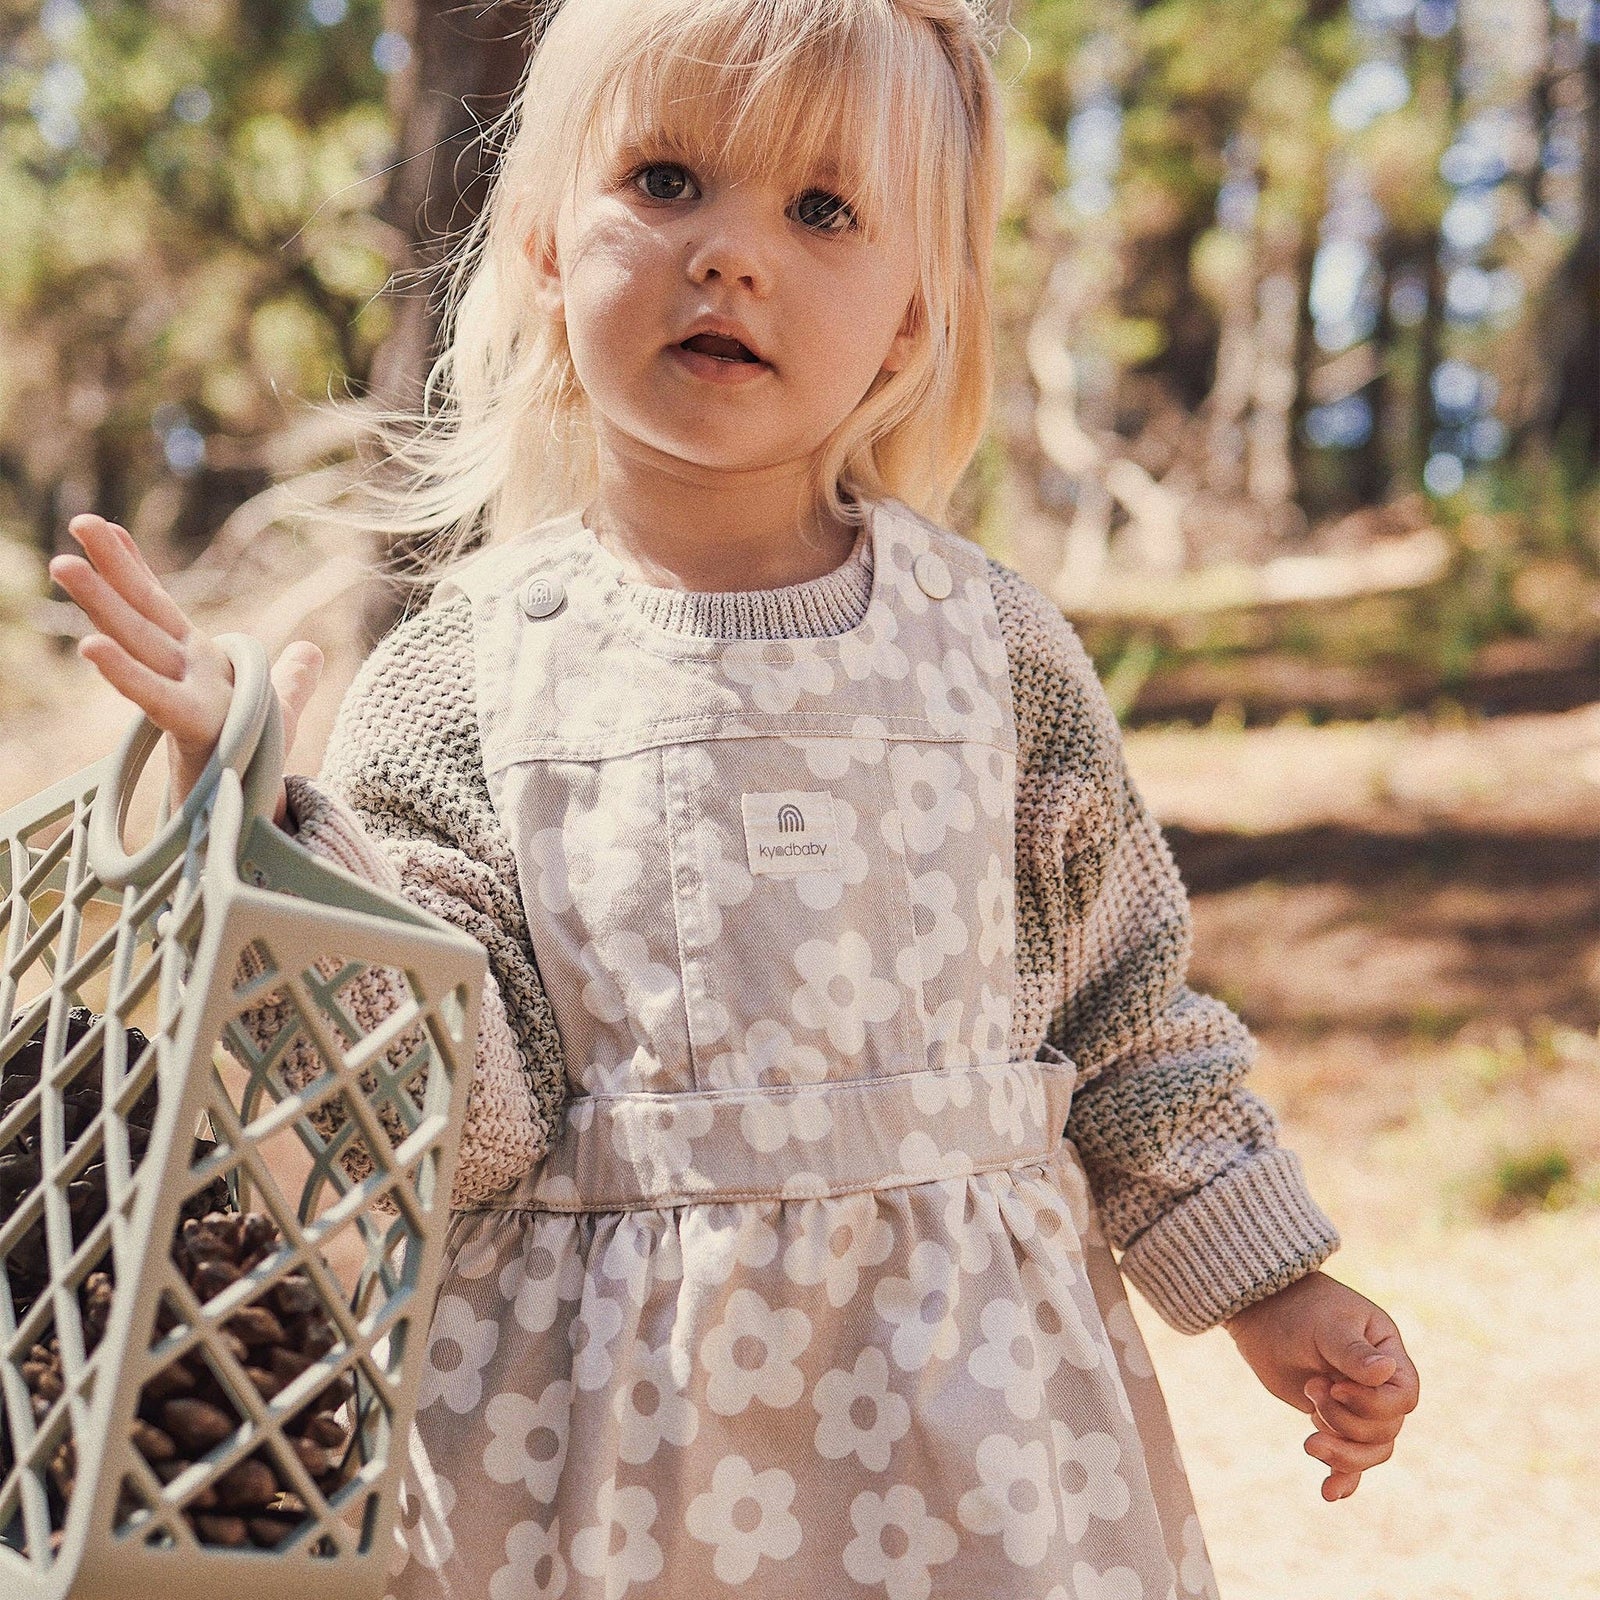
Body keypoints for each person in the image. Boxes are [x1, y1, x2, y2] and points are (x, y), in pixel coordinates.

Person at [47, 2, 1420, 1595]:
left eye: (821, 210)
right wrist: (267, 822)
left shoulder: (991, 650)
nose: (732, 256)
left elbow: (1123, 1019)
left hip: (983, 1450)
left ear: (911, 319)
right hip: (602, 1471)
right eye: (667, 178)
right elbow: (452, 1121)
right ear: (551, 254)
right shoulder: (463, 680)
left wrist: (1270, 1282)